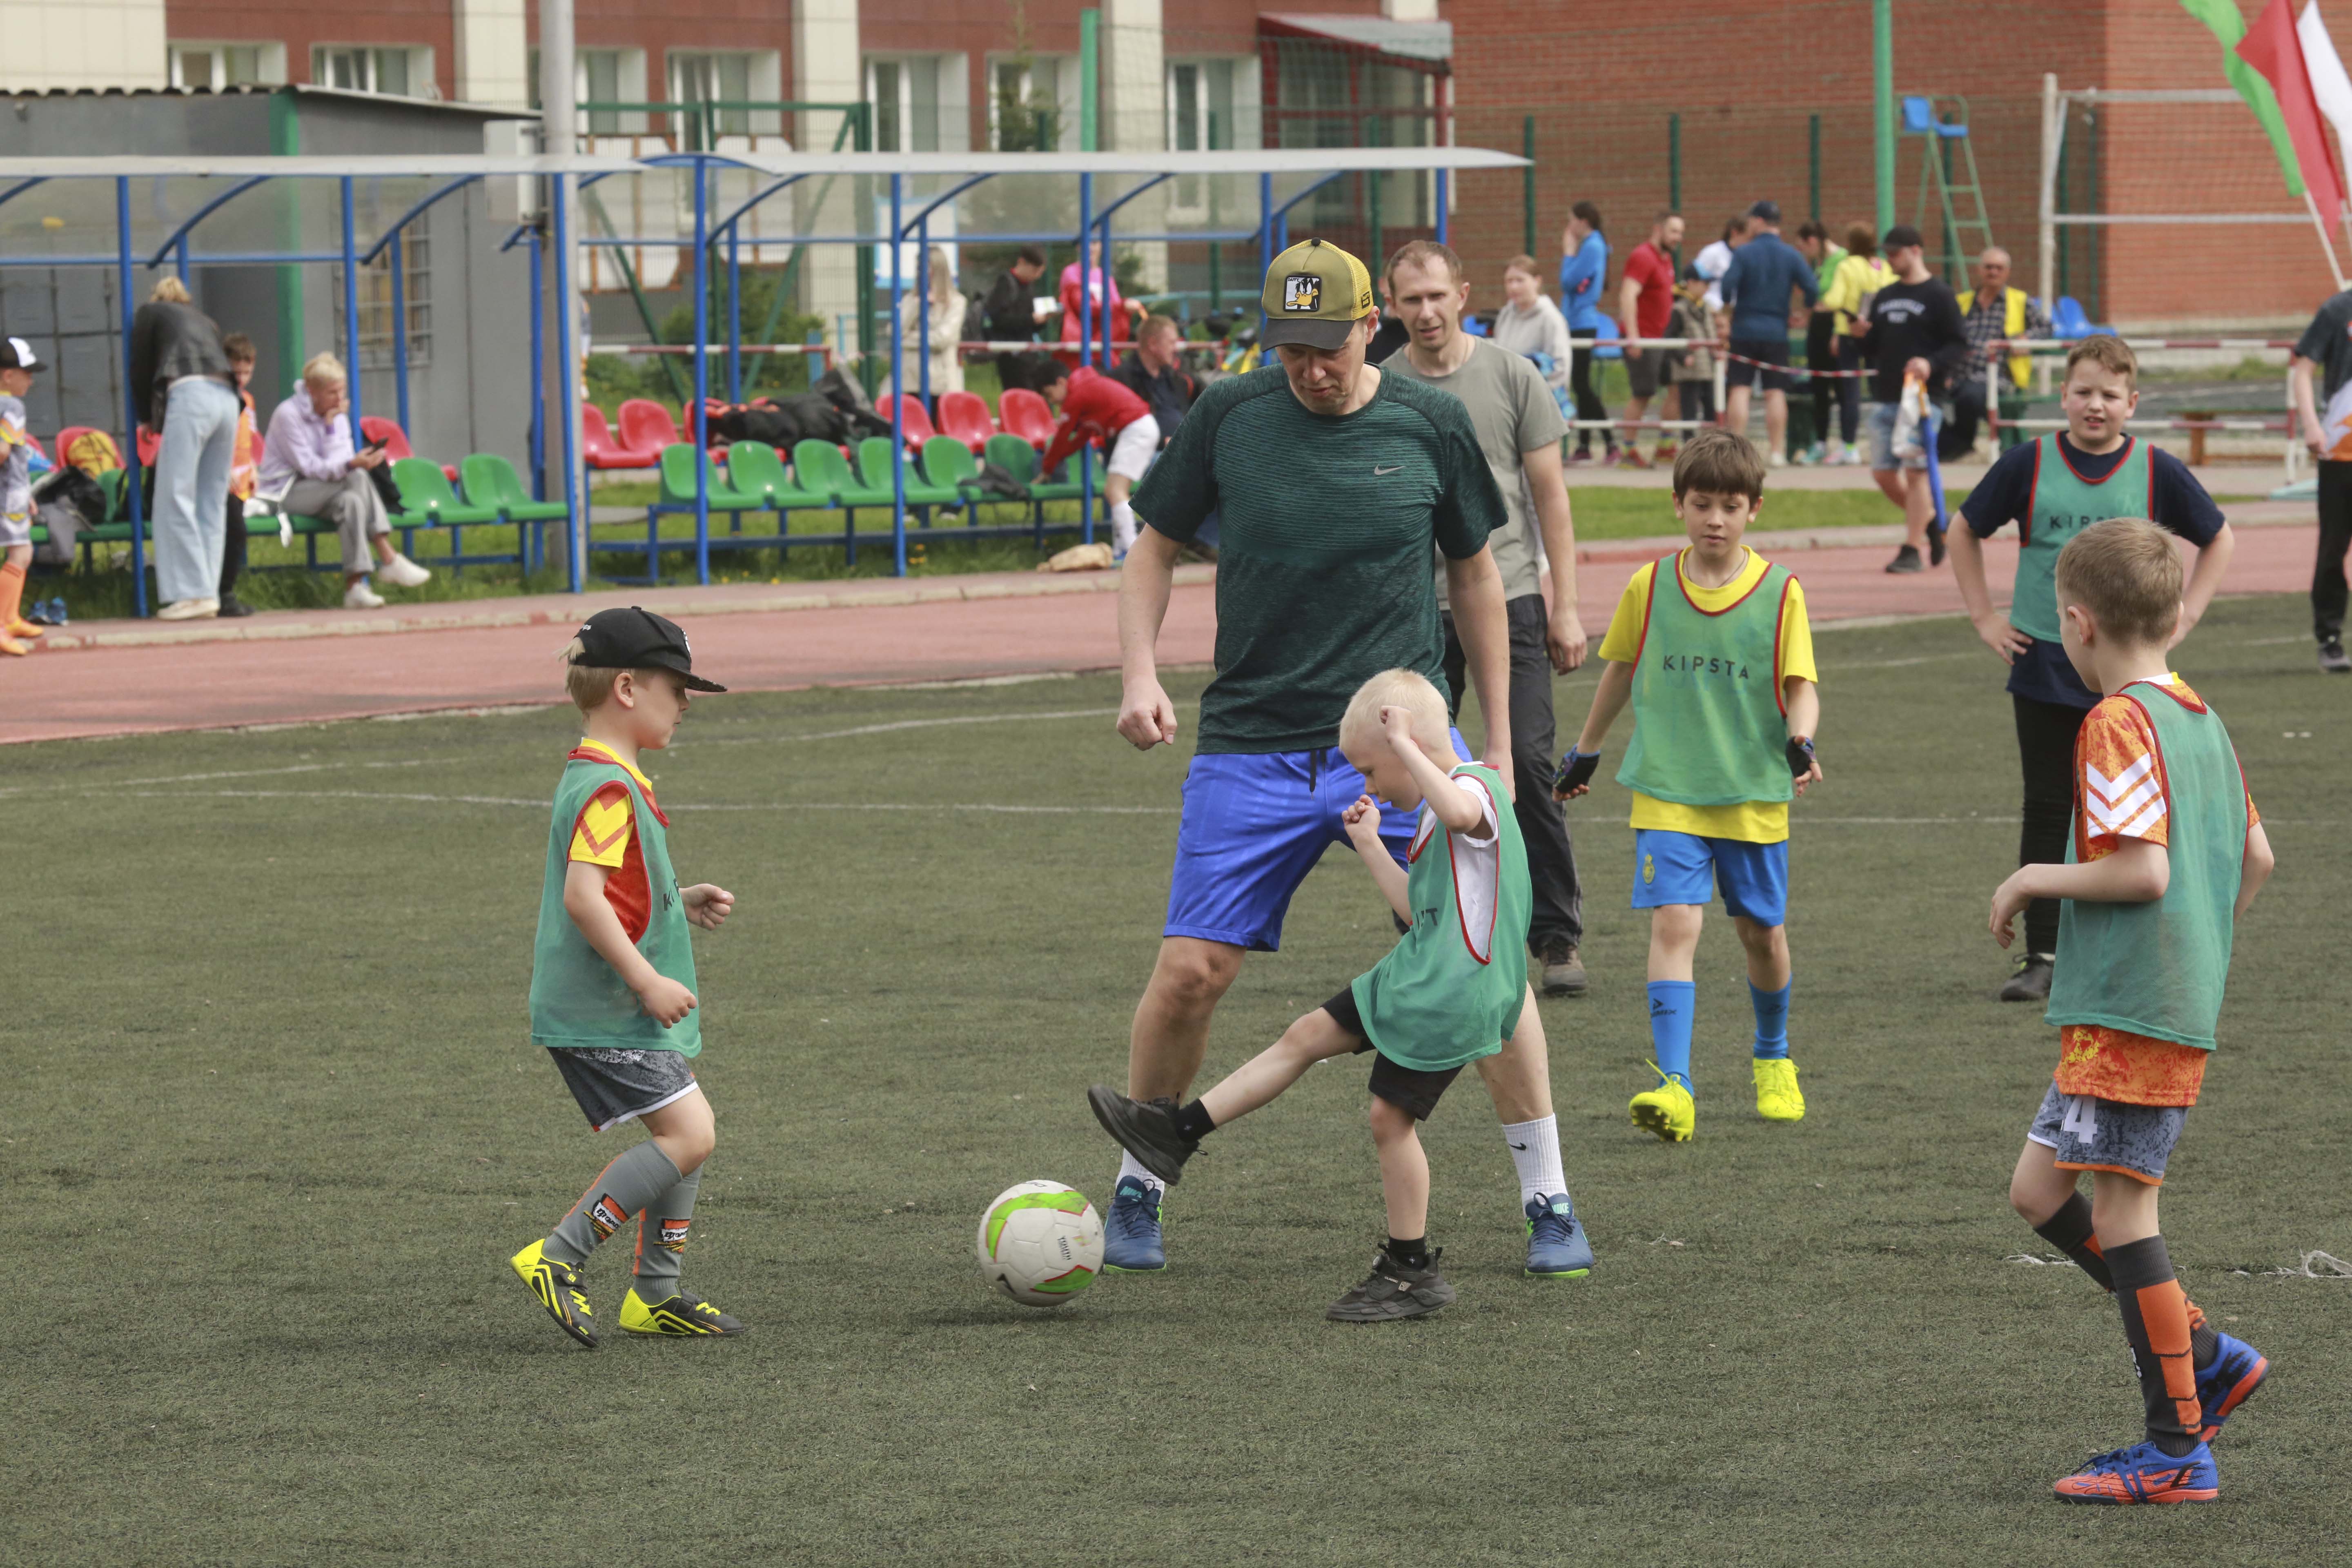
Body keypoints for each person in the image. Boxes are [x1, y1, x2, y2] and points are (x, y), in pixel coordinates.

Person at [1106, 236, 1515, 1273]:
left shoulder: (1429, 422)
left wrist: (1502, 747)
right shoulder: (1228, 415)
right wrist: (1140, 675)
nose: (1310, 369)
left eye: (1327, 347)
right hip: (1250, 738)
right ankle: (1141, 1174)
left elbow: (1475, 576)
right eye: (1290, 349)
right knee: (1191, 973)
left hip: (1397, 742)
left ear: (1371, 325)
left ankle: (1546, 1190)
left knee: (1481, 955)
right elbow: (1152, 549)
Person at [1087, 668, 1586, 1322]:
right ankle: (1173, 1134)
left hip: (1452, 995)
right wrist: (1370, 844)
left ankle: (1410, 1272)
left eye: (1372, 771)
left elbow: (1463, 810)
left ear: (1412, 747)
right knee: (1304, 1038)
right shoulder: (1434, 814)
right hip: (1415, 975)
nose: (1369, 787)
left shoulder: (1476, 789)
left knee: (1389, 1120)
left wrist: (1403, 744)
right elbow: (1418, 908)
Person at [1993, 517, 2275, 1505]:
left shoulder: (2115, 721)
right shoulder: (2199, 716)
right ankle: (2206, 1356)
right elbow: (2256, 857)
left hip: (2132, 1009)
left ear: (2077, 623)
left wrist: (2032, 875)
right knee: (2039, 1191)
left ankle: (2175, 1448)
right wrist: (2199, 950)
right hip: (2136, 1004)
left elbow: (2142, 870)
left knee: (2121, 1212)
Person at [1555, 429, 1823, 1142]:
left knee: (1762, 934)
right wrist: (1587, 751)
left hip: (1751, 793)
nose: (1715, 520)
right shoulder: (1649, 586)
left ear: (1754, 510)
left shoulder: (1781, 592)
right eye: (1702, 504)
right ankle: (1675, 1085)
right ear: (1678, 504)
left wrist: (1801, 740)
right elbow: (1619, 669)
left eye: (1731, 507)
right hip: (1668, 788)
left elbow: (1801, 684)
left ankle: (1773, 1056)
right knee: (1675, 924)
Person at [1949, 335, 2235, 1002]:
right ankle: (2044, 955)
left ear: (2132, 402)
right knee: (2050, 805)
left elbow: (2218, 536)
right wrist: (1985, 616)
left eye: (2110, 394)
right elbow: (1963, 528)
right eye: (2083, 392)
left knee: (2134, 813)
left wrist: (2187, 614)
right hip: (2046, 661)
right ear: (2063, 396)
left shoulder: (2157, 469)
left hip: (2128, 667)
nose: (2095, 405)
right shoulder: (2028, 463)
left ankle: (2143, 947)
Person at [511, 606, 745, 1347]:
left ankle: (655, 1295)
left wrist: (680, 898)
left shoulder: (606, 778)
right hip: (605, 1008)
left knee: (690, 1130)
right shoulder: (608, 789)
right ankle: (558, 1255)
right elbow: (584, 897)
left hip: (615, 1008)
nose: (684, 704)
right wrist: (646, 980)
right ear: (625, 688)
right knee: (691, 1133)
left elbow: (615, 885)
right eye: (676, 688)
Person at [1383, 238, 1592, 997]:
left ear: (1463, 295)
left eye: (1437, 296)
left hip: (1511, 596)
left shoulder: (1512, 375)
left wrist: (1566, 606)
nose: (1427, 312)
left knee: (1526, 765)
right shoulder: (1380, 386)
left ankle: (1556, 936)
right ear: (1391, 305)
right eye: (1412, 300)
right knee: (1415, 772)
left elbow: (1550, 497)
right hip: (1415, 609)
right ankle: (1429, 927)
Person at [259, 353, 434, 609]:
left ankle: (355, 588)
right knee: (357, 475)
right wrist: (352, 465)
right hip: (284, 494)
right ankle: (388, 556)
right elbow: (311, 467)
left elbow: (340, 463)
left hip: (326, 491)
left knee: (351, 502)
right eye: (332, 393)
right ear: (312, 391)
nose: (340, 399)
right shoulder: (288, 415)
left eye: (342, 391)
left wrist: (331, 428)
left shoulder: (337, 415)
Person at [1855, 224, 1967, 573]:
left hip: (1922, 401)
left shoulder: (1940, 294)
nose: (1890, 259)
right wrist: (1859, 336)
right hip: (1885, 398)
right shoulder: (1884, 295)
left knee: (1916, 473)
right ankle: (1932, 520)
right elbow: (1872, 348)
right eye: (1887, 253)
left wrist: (1930, 364)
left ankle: (1911, 549)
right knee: (1883, 474)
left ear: (1916, 251)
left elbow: (1959, 343)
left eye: (1896, 253)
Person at [129, 276, 241, 621]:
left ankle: (192, 593)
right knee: (212, 499)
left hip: (191, 395)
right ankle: (209, 591)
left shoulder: (150, 313)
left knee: (173, 496)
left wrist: (146, 417)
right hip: (228, 399)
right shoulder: (205, 321)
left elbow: (140, 367)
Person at [1717, 200, 1817, 469]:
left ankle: (1736, 454)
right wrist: (1804, 312)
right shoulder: (1791, 255)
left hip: (1744, 330)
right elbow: (1812, 287)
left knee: (1740, 389)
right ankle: (1777, 452)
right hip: (1776, 332)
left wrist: (1728, 307)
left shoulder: (1744, 253)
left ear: (1759, 221)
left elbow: (1727, 287)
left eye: (1751, 220)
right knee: (1775, 392)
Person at [2286, 282, 2352, 672]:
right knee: (2333, 548)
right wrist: (2311, 425)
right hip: (2341, 453)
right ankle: (2330, 639)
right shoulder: (2336, 310)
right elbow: (2303, 370)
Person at [1035, 361, 1158, 556]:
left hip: (1136, 430)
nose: (1052, 401)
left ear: (1061, 382)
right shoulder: (1086, 389)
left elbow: (1061, 437)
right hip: (1140, 427)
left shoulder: (1076, 396)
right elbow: (1081, 438)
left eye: (1049, 394)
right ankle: (1120, 550)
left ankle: (1131, 552)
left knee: (1116, 491)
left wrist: (1047, 469)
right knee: (1113, 491)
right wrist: (1056, 459)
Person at [1946, 247, 2050, 461]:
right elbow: (1947, 336)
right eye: (1988, 267)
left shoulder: (2020, 301)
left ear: (2007, 272)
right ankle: (1949, 444)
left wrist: (2026, 339)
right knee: (1924, 394)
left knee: (1971, 396)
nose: (1993, 272)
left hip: (1999, 377)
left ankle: (1966, 442)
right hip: (1959, 374)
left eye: (1999, 268)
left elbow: (2046, 328)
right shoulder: (1963, 301)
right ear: (1979, 270)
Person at [1817, 223, 1890, 466]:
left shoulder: (1847, 266)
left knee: (1850, 393)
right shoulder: (1884, 267)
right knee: (1881, 392)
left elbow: (1834, 300)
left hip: (1848, 333)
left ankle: (1849, 447)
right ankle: (1883, 445)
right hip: (1877, 334)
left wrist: (1830, 303)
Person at [1618, 209, 1685, 468]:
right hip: (1643, 338)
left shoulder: (1666, 259)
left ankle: (1666, 447)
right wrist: (1633, 336)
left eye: (1681, 232)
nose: (1678, 237)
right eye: (1674, 231)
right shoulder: (1643, 257)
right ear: (1658, 229)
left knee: (1676, 387)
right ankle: (1628, 451)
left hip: (1662, 338)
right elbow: (1628, 294)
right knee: (1643, 394)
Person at [1557, 201, 1615, 463]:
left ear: (1583, 222)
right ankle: (1584, 445)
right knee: (1580, 384)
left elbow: (1568, 281)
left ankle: (1610, 442)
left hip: (1581, 323)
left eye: (1571, 219)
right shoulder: (1593, 245)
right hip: (1575, 322)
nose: (1569, 226)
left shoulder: (1592, 246)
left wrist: (1569, 253)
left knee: (1581, 384)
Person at [1489, 254, 1577, 412]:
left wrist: (1535, 399)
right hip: (1507, 403)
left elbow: (1561, 368)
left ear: (1537, 281)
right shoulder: (1505, 315)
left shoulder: (1551, 318)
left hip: (1540, 407)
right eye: (1509, 281)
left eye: (1520, 280)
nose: (1513, 287)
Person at [0, 337, 42, 656]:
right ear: (7, 376)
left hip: (13, 493)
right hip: (7, 495)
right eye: (26, 373)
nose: (31, 380)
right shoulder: (12, 406)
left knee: (22, 552)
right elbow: (4, 451)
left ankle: (11, 618)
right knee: (21, 553)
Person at [1793, 220, 1848, 464]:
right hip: (1817, 328)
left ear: (1813, 241)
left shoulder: (1842, 260)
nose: (1804, 253)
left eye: (1803, 247)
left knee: (1843, 388)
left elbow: (1845, 299)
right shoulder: (1821, 264)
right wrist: (1806, 317)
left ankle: (1847, 443)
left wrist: (1838, 332)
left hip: (1835, 328)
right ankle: (1821, 443)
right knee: (1820, 388)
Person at [216, 333, 260, 619]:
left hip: (240, 482)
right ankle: (224, 592)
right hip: (221, 480)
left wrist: (253, 466)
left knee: (234, 533)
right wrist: (222, 470)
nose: (242, 379)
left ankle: (224, 592)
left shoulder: (247, 400)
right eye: (237, 373)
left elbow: (248, 439)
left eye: (248, 373)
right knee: (234, 532)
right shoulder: (219, 399)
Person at [889, 247, 967, 402]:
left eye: (924, 268)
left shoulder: (956, 302)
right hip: (909, 383)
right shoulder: (910, 300)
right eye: (918, 268)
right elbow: (894, 332)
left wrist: (906, 340)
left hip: (940, 383)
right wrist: (917, 306)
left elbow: (940, 340)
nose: (920, 273)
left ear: (938, 269)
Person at [1109, 314, 1196, 444]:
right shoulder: (1123, 379)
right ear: (1153, 344)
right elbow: (1121, 430)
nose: (1176, 349)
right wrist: (1163, 443)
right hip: (1148, 451)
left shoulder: (1177, 378)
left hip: (1182, 448)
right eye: (1172, 343)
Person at [980, 244, 1048, 393]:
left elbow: (1031, 325)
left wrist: (1042, 321)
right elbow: (998, 320)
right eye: (1035, 271)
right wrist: (1030, 320)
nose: (1037, 276)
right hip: (1011, 357)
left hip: (1028, 354)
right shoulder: (1006, 284)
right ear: (1022, 262)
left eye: (1041, 272)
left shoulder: (1029, 287)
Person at [1664, 269, 1720, 441]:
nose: (1707, 288)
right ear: (1691, 283)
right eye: (1704, 283)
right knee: (1689, 411)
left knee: (1711, 409)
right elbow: (1669, 337)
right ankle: (1689, 443)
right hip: (1689, 371)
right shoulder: (1679, 309)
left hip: (1708, 368)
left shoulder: (1705, 307)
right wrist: (1683, 357)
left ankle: (1711, 443)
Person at [1058, 255, 1146, 345]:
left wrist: (1125, 306)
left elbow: (1116, 303)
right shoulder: (1071, 272)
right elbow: (1080, 304)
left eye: (1095, 246)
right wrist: (1122, 305)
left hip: (1102, 331)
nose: (1092, 249)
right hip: (1079, 331)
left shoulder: (1104, 276)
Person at [1695, 214, 1751, 311]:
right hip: (1713, 311)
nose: (1750, 242)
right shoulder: (1712, 252)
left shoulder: (1747, 257)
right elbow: (1695, 283)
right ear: (1735, 233)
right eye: (1748, 238)